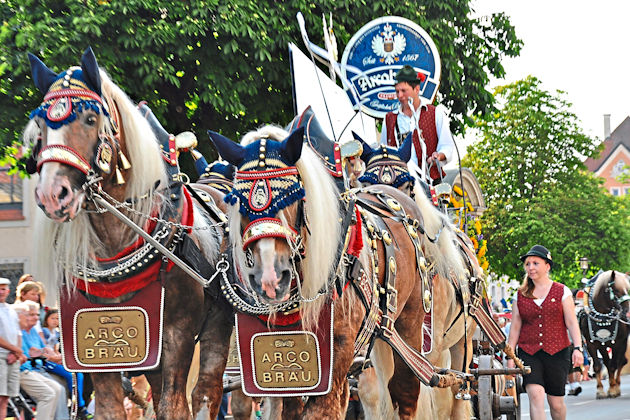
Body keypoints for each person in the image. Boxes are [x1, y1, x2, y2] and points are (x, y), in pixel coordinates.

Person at [507, 245, 584, 420]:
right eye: (528, 264)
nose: (531, 267)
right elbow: (515, 328)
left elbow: (572, 322)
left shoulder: (562, 291)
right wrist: (510, 356)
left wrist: (578, 348)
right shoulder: (519, 295)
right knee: (536, 396)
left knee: (556, 404)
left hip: (558, 352)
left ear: (547, 266)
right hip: (529, 353)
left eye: (535, 263)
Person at [380, 64, 455, 185]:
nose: (400, 96)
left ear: (416, 89)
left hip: (430, 182)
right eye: (397, 91)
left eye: (404, 91)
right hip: (400, 184)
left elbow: (447, 145)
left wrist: (438, 156)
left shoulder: (435, 113)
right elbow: (383, 150)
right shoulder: (389, 119)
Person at [13, 301, 68, 420]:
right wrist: (44, 355)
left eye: (37, 315)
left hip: (37, 368)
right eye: (30, 315)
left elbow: (42, 349)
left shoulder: (32, 330)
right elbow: (27, 354)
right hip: (26, 369)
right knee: (49, 394)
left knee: (59, 388)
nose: (35, 318)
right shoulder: (17, 331)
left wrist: (49, 354)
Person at [0, 277, 27, 419]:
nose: (1, 291)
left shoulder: (11, 310)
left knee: (5, 398)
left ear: (8, 291)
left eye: (4, 288)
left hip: (12, 358)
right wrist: (16, 351)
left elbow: (18, 333)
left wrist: (17, 353)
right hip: (1, 356)